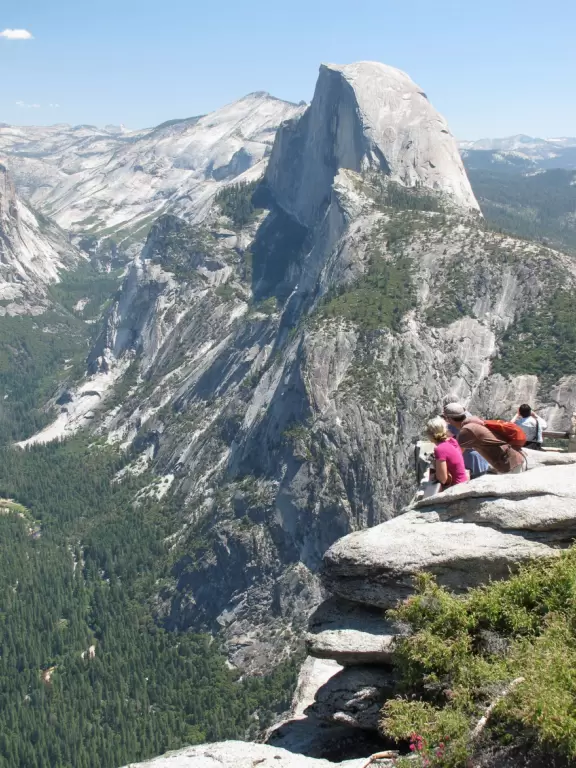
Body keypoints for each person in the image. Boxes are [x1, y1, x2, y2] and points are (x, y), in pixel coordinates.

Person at [443, 403, 527, 474]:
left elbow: (457, 452)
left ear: (449, 419)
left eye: (446, 418)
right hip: (513, 458)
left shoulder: (467, 431)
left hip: (509, 464)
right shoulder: (473, 422)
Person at [441, 394, 490, 479]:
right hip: (475, 455)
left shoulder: (461, 421)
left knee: (477, 480)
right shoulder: (464, 415)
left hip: (472, 457)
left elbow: (460, 444)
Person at [425, 416, 468, 490]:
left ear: (430, 434)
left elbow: (443, 479)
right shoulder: (452, 441)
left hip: (456, 488)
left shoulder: (440, 449)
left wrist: (434, 465)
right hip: (464, 482)